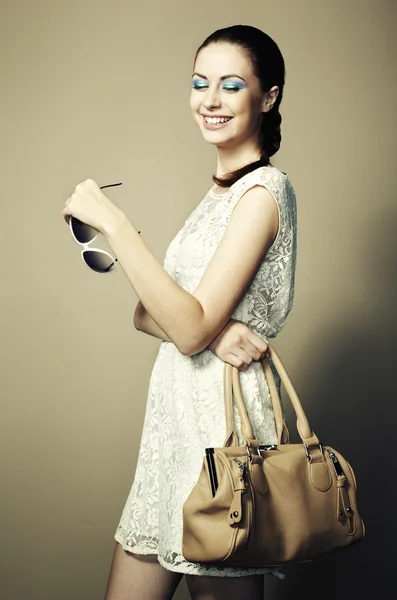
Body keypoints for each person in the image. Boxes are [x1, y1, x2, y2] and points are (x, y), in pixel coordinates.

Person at [63, 23, 297, 600]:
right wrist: (213, 331)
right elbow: (148, 314)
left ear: (267, 97)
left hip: (225, 434)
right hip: (172, 428)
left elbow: (185, 324)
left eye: (231, 85)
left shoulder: (264, 192)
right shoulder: (215, 195)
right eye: (199, 83)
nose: (210, 100)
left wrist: (116, 225)